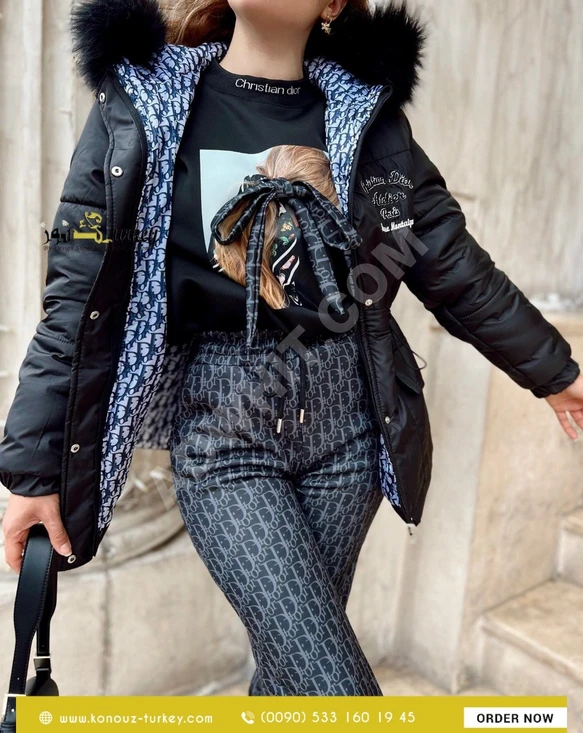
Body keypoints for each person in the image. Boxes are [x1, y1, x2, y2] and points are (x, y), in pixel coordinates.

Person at [0, 0, 581, 697]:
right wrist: (32, 471)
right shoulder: (141, 103)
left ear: (331, 5)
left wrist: (555, 371)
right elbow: (75, 297)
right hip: (224, 430)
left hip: (348, 427)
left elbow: (449, 261)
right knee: (335, 691)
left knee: (291, 684)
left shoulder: (368, 120)